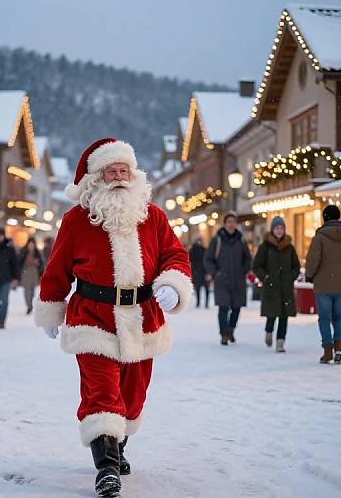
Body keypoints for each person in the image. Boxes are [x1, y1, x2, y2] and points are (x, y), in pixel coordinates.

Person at [34, 138, 192, 498]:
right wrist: (51, 305)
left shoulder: (153, 216)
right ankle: (106, 467)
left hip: (142, 318)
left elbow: (176, 256)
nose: (119, 177)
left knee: (132, 395)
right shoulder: (76, 220)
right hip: (92, 315)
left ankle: (117, 446)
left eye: (124, 170)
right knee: (101, 391)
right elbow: (57, 267)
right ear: (96, 177)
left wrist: (171, 284)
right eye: (112, 171)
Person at [305, 205, 341, 364]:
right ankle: (339, 349)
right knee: (338, 318)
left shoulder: (320, 237)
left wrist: (310, 275)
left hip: (323, 284)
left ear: (325, 218)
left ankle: (327, 350)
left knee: (324, 318)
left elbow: (313, 259)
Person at [252, 216, 300, 353]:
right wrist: (265, 277)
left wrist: (291, 276)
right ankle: (268, 332)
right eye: (277, 228)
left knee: (284, 317)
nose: (279, 230)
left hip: (285, 288)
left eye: (281, 228)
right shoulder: (265, 246)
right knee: (271, 315)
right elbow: (257, 266)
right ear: (272, 230)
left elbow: (296, 266)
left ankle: (280, 342)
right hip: (271, 288)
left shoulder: (289, 247)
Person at [204, 211, 252, 345]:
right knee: (223, 308)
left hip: (238, 280)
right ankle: (224, 334)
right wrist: (215, 273)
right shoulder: (217, 240)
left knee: (236, 308)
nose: (231, 224)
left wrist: (243, 270)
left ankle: (231, 329)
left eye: (233, 222)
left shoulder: (241, 239)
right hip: (222, 280)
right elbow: (208, 259)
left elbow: (248, 258)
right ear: (224, 224)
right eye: (229, 222)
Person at [18, 237, 44, 314]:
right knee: (26, 290)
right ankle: (28, 305)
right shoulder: (24, 251)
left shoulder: (37, 253)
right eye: (30, 244)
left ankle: (30, 305)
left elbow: (41, 264)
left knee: (32, 290)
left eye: (32, 244)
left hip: (34, 272)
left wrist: (37, 263)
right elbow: (19, 261)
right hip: (26, 272)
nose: (31, 245)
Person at [189, 237, 209, 307]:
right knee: (198, 288)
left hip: (202, 271)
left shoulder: (204, 250)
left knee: (206, 288)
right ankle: (198, 302)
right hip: (196, 271)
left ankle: (206, 303)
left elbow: (208, 261)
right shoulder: (193, 250)